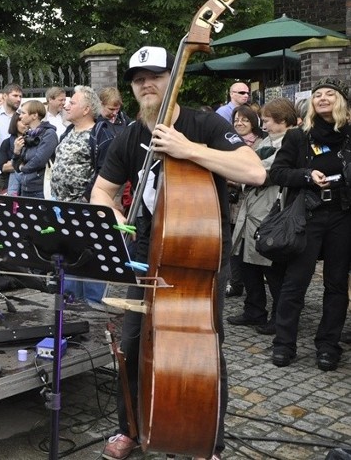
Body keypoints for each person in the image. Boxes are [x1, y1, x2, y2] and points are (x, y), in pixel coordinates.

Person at [91, 46, 265, 460]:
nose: (146, 84)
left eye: (155, 75)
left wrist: (189, 149)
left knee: (204, 346)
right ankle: (130, 429)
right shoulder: (131, 134)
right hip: (148, 249)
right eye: (138, 79)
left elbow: (254, 171)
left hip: (201, 252)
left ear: (174, 78)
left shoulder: (203, 124)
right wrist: (113, 215)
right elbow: (101, 189)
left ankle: (208, 440)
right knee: (132, 344)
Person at [267, 79, 351, 372]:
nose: (323, 98)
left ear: (341, 101)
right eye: (318, 94)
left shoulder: (349, 135)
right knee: (295, 282)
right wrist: (306, 175)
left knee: (337, 284)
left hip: (343, 216)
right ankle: (284, 343)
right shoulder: (298, 137)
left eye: (330, 93)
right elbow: (277, 173)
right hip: (308, 215)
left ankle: (328, 346)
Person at [228, 98, 297, 335]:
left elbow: (263, 172)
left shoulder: (291, 142)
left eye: (267, 120)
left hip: (271, 209)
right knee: (248, 263)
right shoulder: (268, 141)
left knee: (271, 267)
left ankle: (280, 317)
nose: (264, 125)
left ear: (282, 120)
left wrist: (239, 171)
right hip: (252, 208)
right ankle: (254, 309)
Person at [50, 85, 108, 305]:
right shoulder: (68, 131)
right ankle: (71, 303)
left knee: (89, 256)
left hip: (83, 207)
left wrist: (87, 197)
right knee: (69, 256)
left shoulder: (98, 135)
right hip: (61, 206)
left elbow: (104, 171)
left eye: (72, 102)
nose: (67, 105)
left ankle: (94, 305)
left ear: (86, 109)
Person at [225, 106, 266, 298]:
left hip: (251, 203)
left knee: (248, 249)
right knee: (233, 245)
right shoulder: (228, 142)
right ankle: (235, 283)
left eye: (244, 120)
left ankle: (250, 292)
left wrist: (232, 178)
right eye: (236, 120)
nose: (239, 123)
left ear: (254, 122)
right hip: (232, 203)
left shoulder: (260, 144)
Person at [12, 100, 57, 198]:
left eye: (23, 113)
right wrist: (16, 152)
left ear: (34, 116)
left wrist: (22, 168)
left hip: (40, 189)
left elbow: (39, 160)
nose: (20, 116)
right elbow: (15, 166)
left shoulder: (49, 134)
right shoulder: (27, 134)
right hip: (25, 188)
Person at [0, 113, 27, 195]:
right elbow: (3, 167)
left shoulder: (34, 141)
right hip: (9, 185)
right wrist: (23, 164)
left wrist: (13, 163)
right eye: (22, 122)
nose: (26, 125)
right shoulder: (7, 143)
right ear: (15, 123)